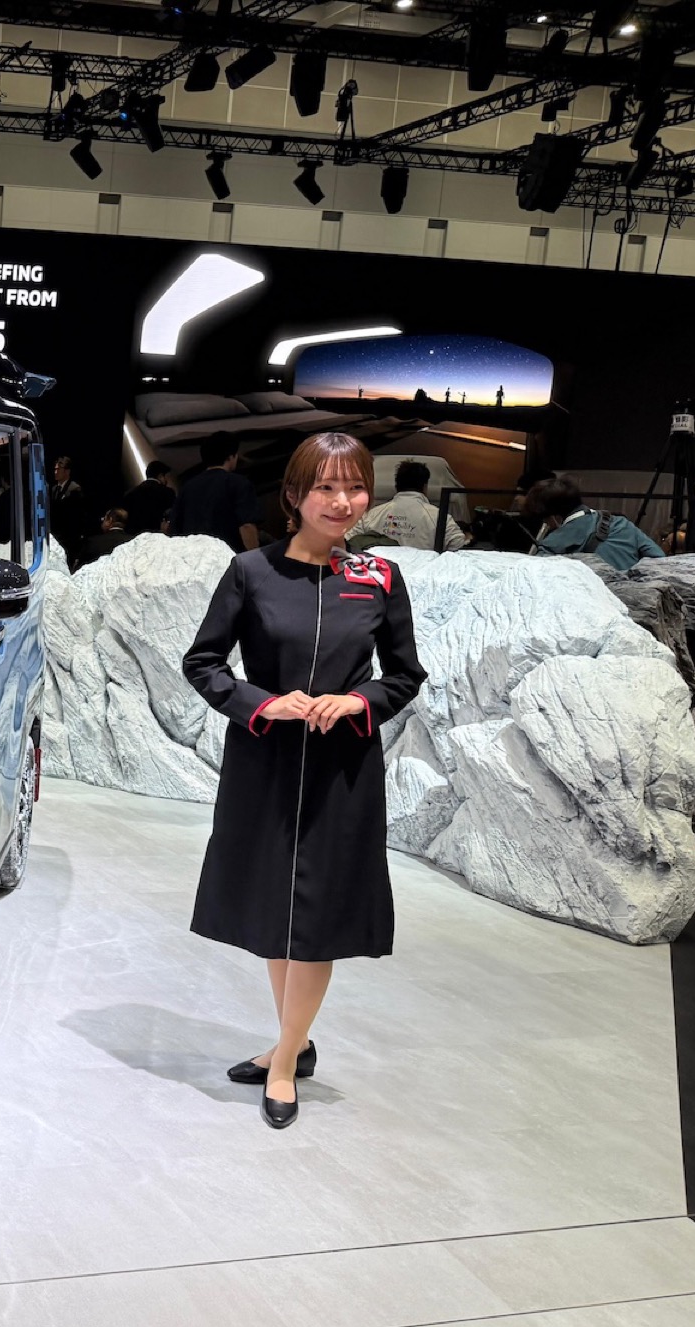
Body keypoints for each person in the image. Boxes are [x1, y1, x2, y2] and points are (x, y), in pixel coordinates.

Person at [182, 432, 426, 1129]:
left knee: (314, 921)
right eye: (325, 487)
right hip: (263, 765)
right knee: (276, 912)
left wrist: (357, 702)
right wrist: (262, 704)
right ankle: (293, 1039)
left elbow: (404, 675)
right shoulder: (250, 572)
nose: (342, 501)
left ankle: (285, 1060)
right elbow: (203, 663)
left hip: (342, 772)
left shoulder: (380, 577)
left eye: (354, 487)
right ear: (294, 495)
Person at [525, 475, 665, 571]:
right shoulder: (622, 523)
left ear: (555, 517)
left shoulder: (551, 546)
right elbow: (659, 559)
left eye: (545, 519)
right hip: (635, 598)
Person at [344, 460, 469, 553]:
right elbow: (459, 546)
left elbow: (347, 540)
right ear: (425, 487)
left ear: (396, 486)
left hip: (382, 574)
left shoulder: (371, 515)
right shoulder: (440, 518)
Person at [169, 431, 260, 553]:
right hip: (229, 557)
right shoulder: (239, 483)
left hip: (194, 558)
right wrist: (255, 558)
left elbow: (175, 530)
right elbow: (246, 526)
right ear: (231, 457)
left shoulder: (186, 488)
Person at [45, 454, 94, 554]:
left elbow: (78, 515)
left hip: (69, 535)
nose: (55, 472)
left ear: (67, 471)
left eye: (59, 469)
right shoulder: (54, 489)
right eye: (55, 469)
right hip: (56, 533)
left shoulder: (74, 489)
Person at [122, 459, 177, 537]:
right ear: (160, 476)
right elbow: (173, 516)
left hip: (135, 537)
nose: (167, 481)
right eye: (166, 477)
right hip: (158, 536)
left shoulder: (129, 494)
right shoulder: (167, 492)